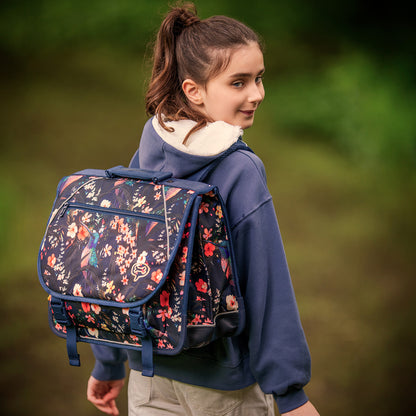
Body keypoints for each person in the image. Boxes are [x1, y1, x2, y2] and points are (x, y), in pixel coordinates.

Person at [87, 3, 320, 415]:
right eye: (239, 82)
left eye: (259, 78)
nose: (257, 94)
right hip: (223, 388)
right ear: (194, 90)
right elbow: (266, 284)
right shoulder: (239, 169)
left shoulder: (148, 152)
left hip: (148, 375)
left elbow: (119, 270)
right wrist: (289, 394)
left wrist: (108, 362)